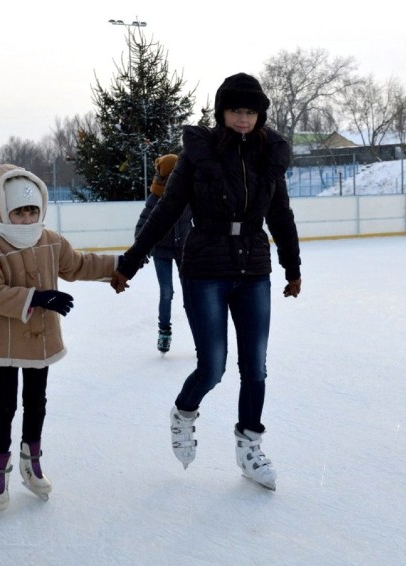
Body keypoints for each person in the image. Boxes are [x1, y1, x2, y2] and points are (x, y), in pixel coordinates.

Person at [111, 72, 302, 491]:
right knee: (212, 367)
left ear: (260, 115)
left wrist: (292, 266)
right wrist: (131, 260)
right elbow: (165, 211)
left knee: (255, 366)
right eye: (236, 110)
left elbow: (281, 214)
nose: (243, 118)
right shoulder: (198, 154)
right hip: (205, 268)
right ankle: (184, 412)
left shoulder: (269, 156)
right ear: (222, 112)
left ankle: (250, 447)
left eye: (251, 112)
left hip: (253, 267)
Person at [0, 164, 118, 513]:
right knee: (4, 405)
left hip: (40, 340)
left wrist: (118, 264)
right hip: (3, 343)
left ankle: (30, 459)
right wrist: (36, 298)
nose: (26, 218)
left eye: (32, 210)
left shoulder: (51, 241)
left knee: (36, 401)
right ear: (4, 211)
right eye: (19, 212)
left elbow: (78, 265)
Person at [134, 153, 192, 354]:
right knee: (167, 292)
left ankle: (200, 335)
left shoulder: (188, 195)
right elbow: (142, 224)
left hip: (185, 250)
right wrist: (141, 249)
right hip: (161, 251)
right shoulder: (156, 197)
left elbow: (204, 220)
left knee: (192, 293)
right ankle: (164, 332)